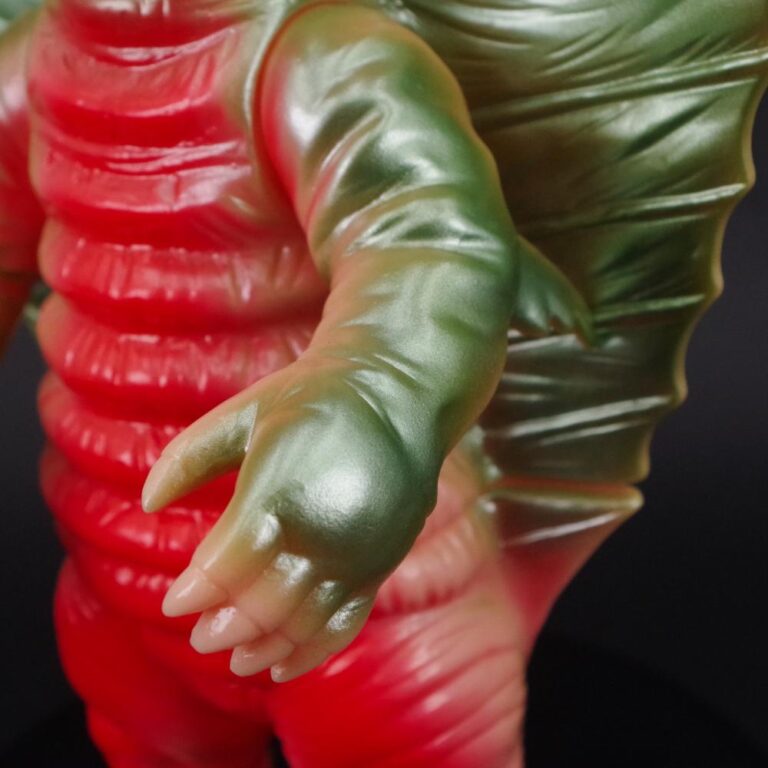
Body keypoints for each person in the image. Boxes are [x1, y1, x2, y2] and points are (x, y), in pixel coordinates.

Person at [0, 1, 765, 766]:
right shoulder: (36, 60)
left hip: (371, 601)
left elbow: (428, 243)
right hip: (117, 585)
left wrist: (376, 399)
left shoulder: (321, 60)